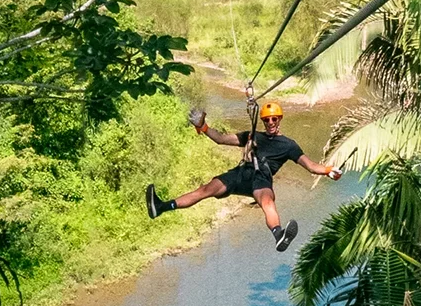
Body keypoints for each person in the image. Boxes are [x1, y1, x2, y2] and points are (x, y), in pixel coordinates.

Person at [145, 102, 342, 252]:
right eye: (266, 120)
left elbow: (310, 166)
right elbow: (221, 139)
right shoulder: (252, 135)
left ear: (279, 119)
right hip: (240, 174)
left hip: (261, 178)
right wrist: (203, 127)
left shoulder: (288, 145)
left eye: (274, 119)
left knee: (267, 202)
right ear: (263, 121)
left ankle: (279, 235)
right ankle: (160, 207)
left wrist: (328, 170)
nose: (270, 123)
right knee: (205, 190)